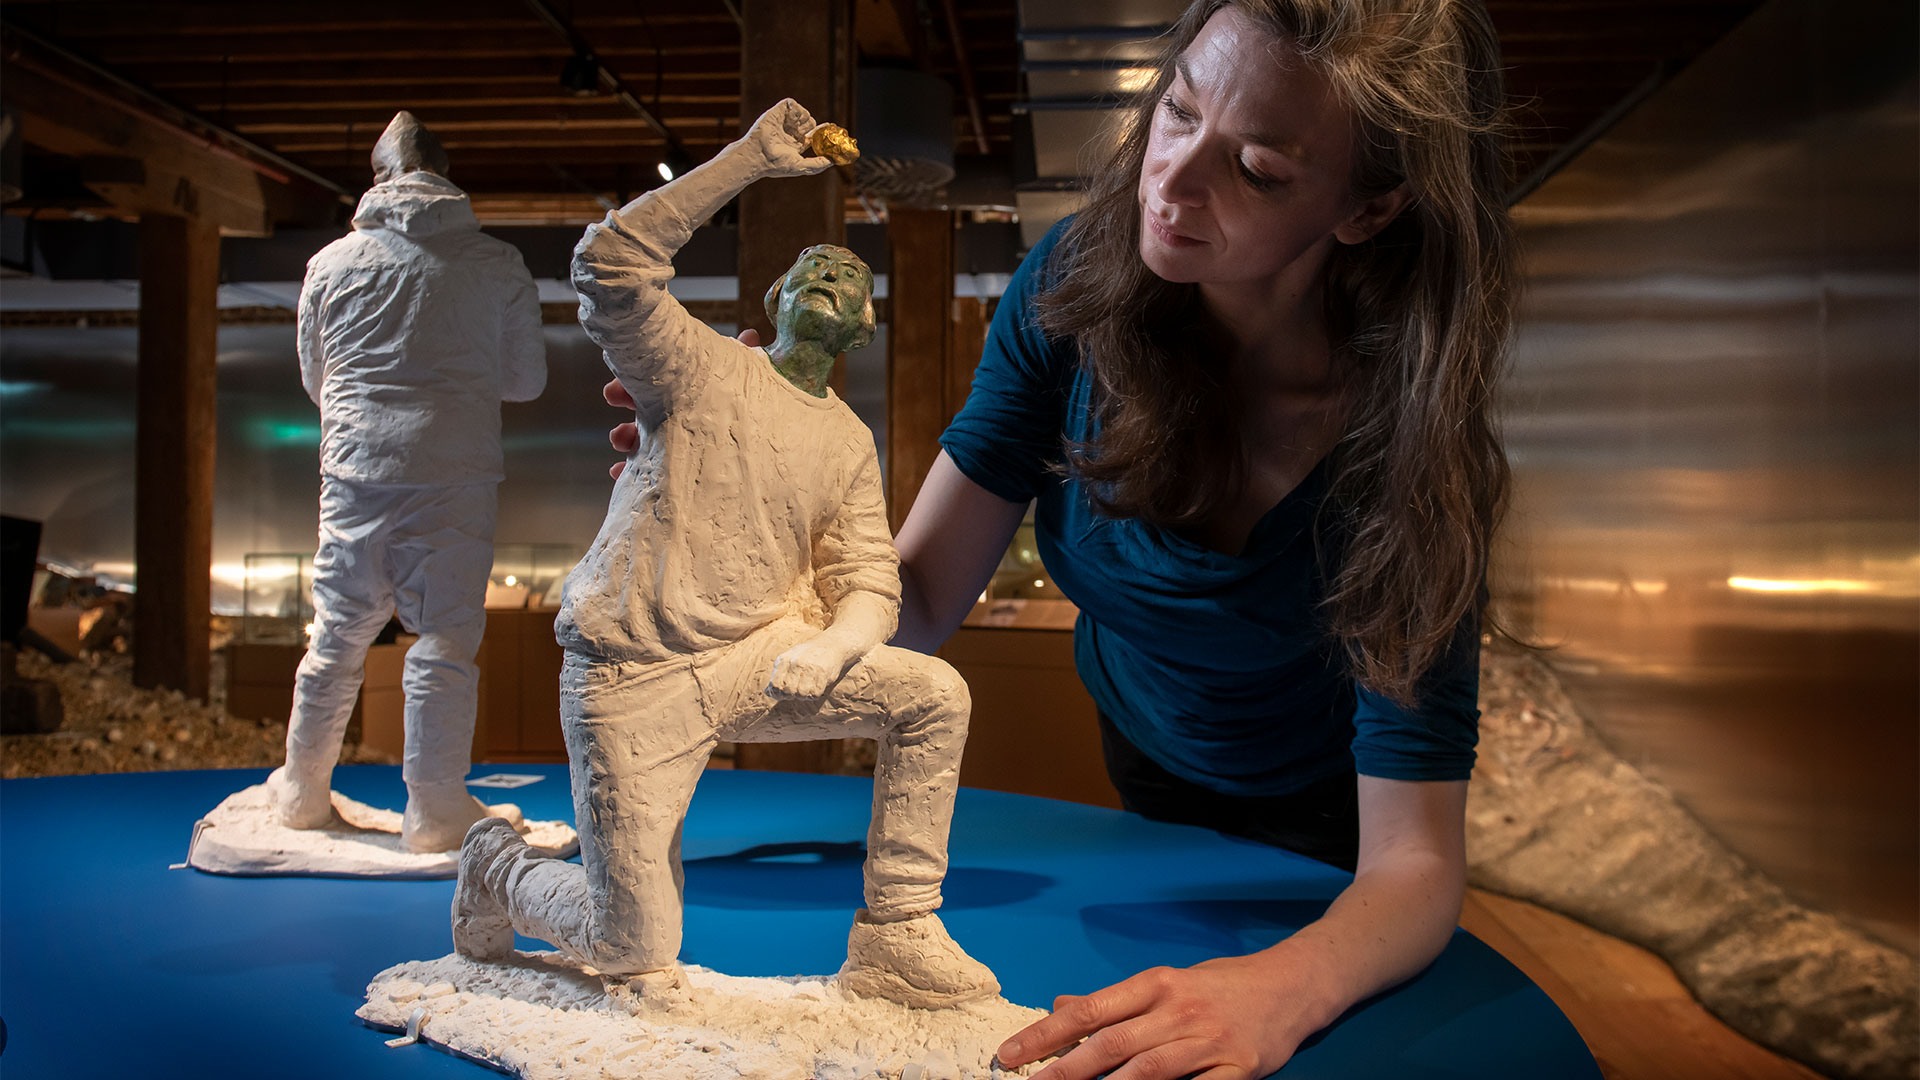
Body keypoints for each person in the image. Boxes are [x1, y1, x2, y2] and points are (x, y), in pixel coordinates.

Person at [610, 1, 1512, 1073]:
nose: (1171, 182)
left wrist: (1283, 988)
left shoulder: (1407, 434)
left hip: (1330, 821)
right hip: (1143, 758)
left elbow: (1414, 866)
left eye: (1259, 169)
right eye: (1176, 113)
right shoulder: (1070, 287)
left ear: (1367, 209)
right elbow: (920, 602)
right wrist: (733, 507)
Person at [453, 99, 1000, 1010]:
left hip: (754, 659)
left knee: (931, 694)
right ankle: (498, 869)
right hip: (631, 671)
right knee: (631, 946)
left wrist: (830, 646)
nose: (830, 273)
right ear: (775, 302)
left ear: (863, 330)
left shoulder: (848, 442)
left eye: (849, 279)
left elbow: (869, 582)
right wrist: (749, 159)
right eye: (810, 269)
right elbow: (610, 264)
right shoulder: (700, 368)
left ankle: (899, 933)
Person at [267, 111, 547, 853]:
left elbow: (315, 379)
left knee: (337, 632)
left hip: (356, 471)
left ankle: (301, 789)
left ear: (377, 180)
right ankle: (434, 808)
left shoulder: (330, 264)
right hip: (453, 473)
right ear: (447, 179)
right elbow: (525, 380)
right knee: (446, 639)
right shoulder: (496, 263)